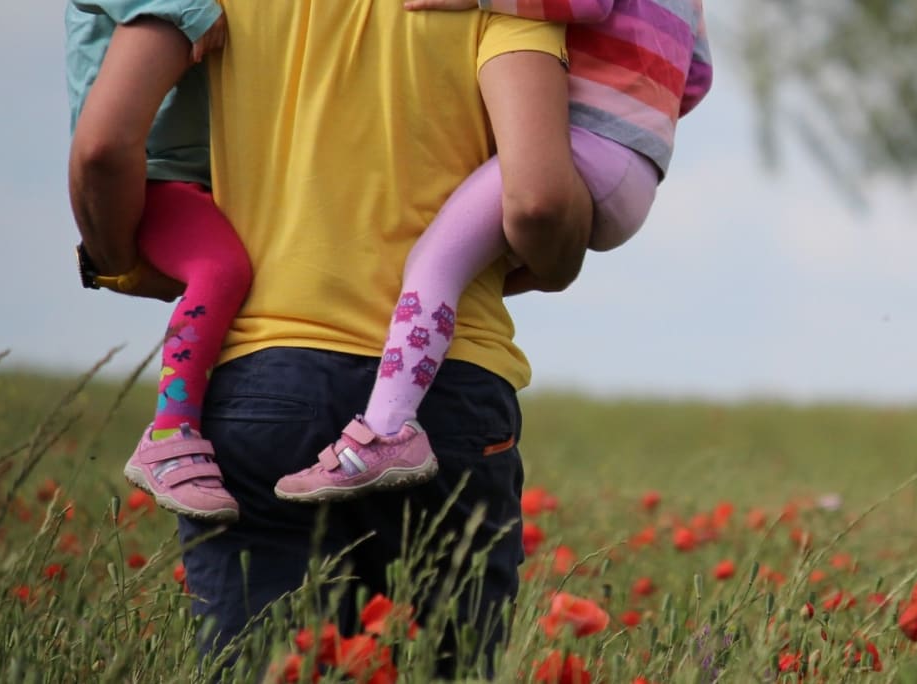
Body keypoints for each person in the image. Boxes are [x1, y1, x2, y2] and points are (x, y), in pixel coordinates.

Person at [143, 1, 579, 670]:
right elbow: (540, 200)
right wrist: (559, 260)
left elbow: (101, 145)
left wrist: (117, 257)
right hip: (447, 390)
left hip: (263, 381)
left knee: (262, 665)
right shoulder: (503, 1)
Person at [272, 0, 713, 503]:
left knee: (432, 262)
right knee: (471, 268)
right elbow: (696, 77)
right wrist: (639, 115)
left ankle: (388, 429)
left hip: (583, 144)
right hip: (637, 167)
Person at [66, 0, 247, 522]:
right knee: (221, 270)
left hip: (204, 173)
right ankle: (170, 432)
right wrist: (192, 10)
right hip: (158, 176)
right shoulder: (174, 10)